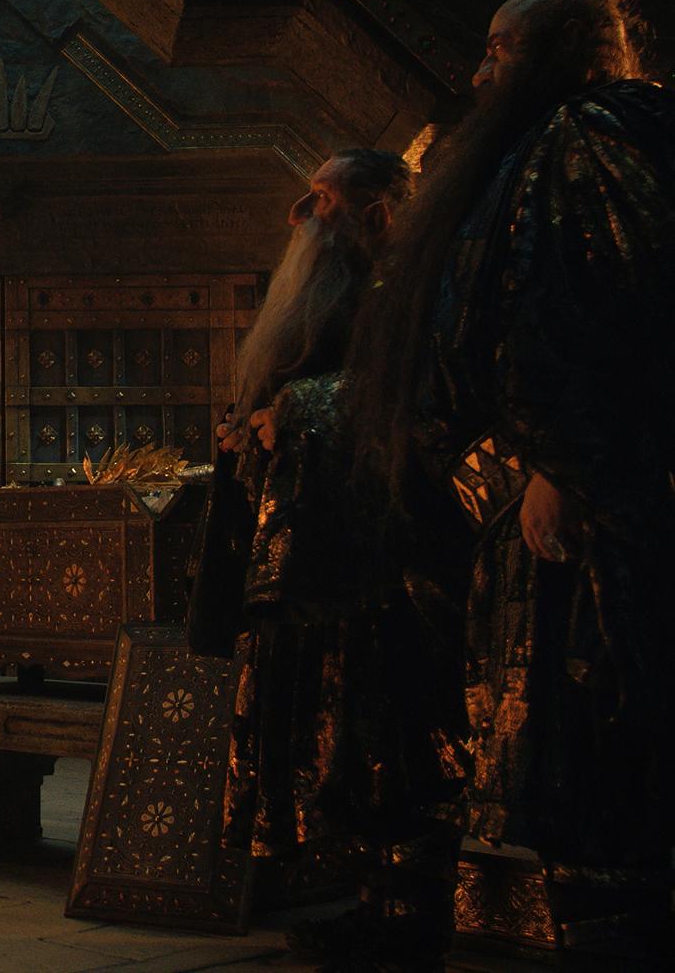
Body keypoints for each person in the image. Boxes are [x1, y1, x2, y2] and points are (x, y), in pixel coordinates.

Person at [345, 0, 675, 955]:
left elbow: (615, 306)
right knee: (569, 756)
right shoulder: (570, 137)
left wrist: (567, 465)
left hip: (591, 498)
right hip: (555, 484)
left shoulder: (598, 135)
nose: (479, 74)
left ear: (567, 47)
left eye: (500, 49)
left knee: (596, 752)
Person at [191, 151, 467, 970]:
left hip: (383, 554)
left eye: (321, 197)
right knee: (338, 734)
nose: (298, 214)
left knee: (391, 728)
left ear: (377, 209)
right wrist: (246, 429)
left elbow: (422, 393)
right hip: (317, 556)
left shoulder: (416, 286)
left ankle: (409, 911)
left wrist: (296, 409)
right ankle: (372, 901)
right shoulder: (327, 291)